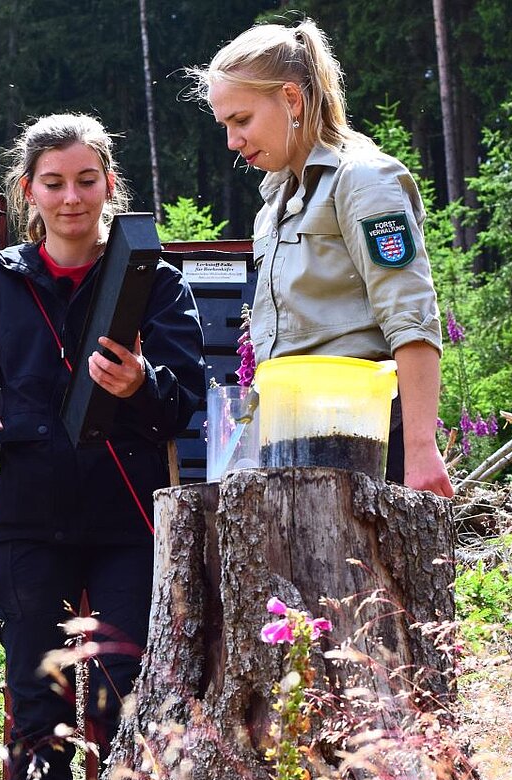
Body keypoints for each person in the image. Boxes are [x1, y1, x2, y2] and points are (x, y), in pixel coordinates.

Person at [0, 113, 205, 780]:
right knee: (37, 703)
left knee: (121, 703)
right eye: (55, 182)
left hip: (127, 526)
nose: (72, 197)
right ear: (28, 193)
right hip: (28, 527)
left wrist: (141, 384)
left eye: (87, 180)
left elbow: (187, 405)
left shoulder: (156, 280)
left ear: (111, 185)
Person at [188, 19, 454, 498]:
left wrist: (420, 448)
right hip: (294, 440)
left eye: (242, 120)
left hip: (367, 442)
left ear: (291, 98)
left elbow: (411, 316)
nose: (232, 141)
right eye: (225, 125)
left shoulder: (363, 180)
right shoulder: (273, 204)